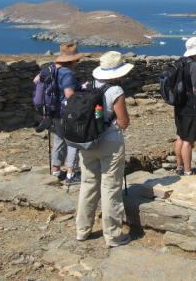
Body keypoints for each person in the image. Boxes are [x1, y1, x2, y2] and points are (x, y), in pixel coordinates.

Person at [76, 51, 133, 247]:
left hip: (86, 142)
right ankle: (113, 235)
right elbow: (124, 122)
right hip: (110, 142)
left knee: (88, 184)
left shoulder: (85, 86)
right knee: (110, 187)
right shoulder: (115, 90)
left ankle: (82, 230)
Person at [33, 43, 83, 184]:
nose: (78, 62)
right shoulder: (67, 73)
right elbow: (69, 94)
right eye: (77, 60)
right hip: (65, 112)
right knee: (73, 141)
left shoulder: (50, 68)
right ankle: (71, 173)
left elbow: (36, 80)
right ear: (72, 60)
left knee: (60, 139)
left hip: (52, 111)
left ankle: (55, 170)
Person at [174, 37, 196, 176]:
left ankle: (179, 166)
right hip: (190, 106)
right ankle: (188, 171)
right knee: (188, 140)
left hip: (179, 105)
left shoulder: (180, 62)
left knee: (180, 136)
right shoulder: (194, 66)